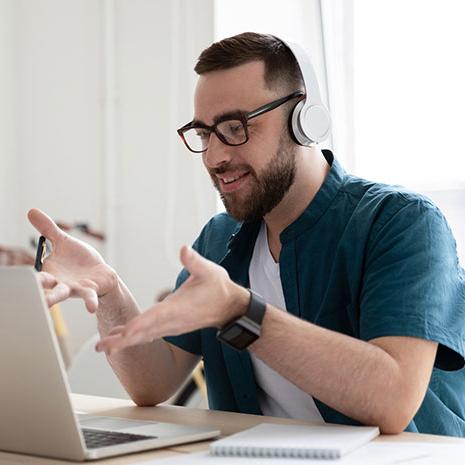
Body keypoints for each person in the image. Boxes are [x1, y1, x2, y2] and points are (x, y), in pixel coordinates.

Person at [28, 32, 465, 436]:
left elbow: (392, 401)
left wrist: (241, 313)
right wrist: (108, 290)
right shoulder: (219, 240)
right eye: (204, 132)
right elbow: (153, 382)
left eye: (236, 128)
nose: (215, 156)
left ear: (304, 120)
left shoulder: (402, 223)